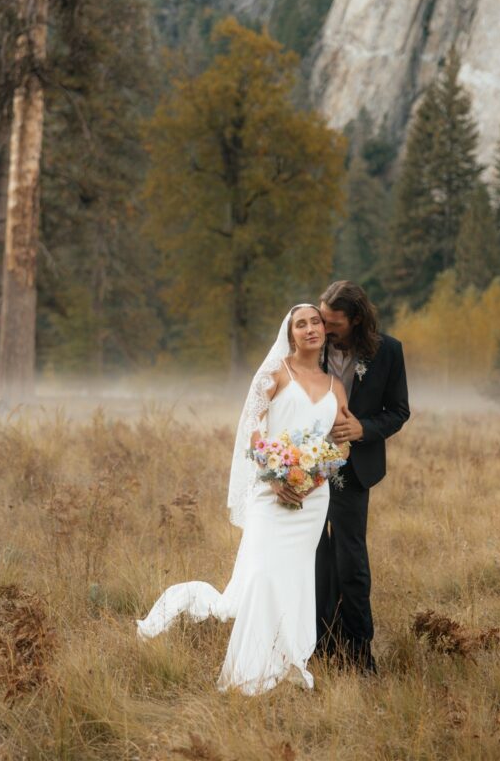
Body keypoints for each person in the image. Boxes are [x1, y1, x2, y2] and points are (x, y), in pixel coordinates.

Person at [136, 304, 349, 695]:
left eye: (314, 322)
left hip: (313, 501)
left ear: (324, 329)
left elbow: (342, 440)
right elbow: (253, 428)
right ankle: (248, 672)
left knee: (297, 578)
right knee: (262, 575)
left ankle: (288, 659)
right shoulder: (274, 375)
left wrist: (321, 471)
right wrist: (274, 476)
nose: (309, 329)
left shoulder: (335, 386)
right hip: (272, 493)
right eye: (300, 324)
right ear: (290, 334)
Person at [315, 280, 410, 672]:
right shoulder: (307, 343)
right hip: (306, 469)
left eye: (332, 323)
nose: (323, 328)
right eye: (321, 318)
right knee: (315, 559)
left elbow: (398, 411)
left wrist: (363, 429)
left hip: (353, 470)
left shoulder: (388, 351)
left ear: (355, 320)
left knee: (350, 560)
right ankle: (319, 645)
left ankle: (358, 654)